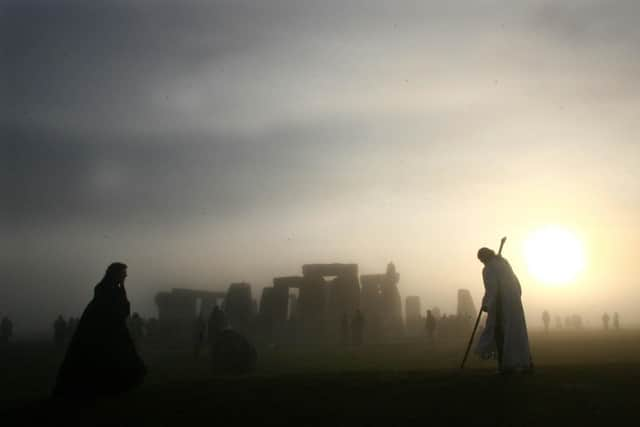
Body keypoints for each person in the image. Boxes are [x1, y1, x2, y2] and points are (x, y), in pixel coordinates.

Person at [53, 262, 146, 398]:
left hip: (114, 328)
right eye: (123, 273)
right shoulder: (105, 289)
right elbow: (113, 310)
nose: (126, 275)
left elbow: (124, 311)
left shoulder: (113, 288)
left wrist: (123, 289)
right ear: (116, 274)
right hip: (103, 330)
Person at [475, 247, 533, 374]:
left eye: (481, 260)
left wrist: (487, 304)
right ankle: (524, 362)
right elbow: (517, 283)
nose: (482, 262)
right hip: (514, 303)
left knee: (500, 334)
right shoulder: (504, 263)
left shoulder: (488, 269)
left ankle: (504, 366)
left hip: (501, 305)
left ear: (484, 258)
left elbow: (492, 289)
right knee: (517, 333)